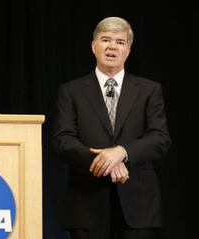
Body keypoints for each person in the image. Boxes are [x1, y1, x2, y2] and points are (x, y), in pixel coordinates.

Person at [52, 17, 171, 239]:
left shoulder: (149, 90)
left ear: (128, 50)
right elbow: (63, 140)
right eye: (105, 40)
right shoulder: (71, 91)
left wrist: (122, 153)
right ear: (94, 46)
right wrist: (104, 163)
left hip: (138, 204)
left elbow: (159, 138)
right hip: (86, 203)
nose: (112, 47)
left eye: (119, 42)